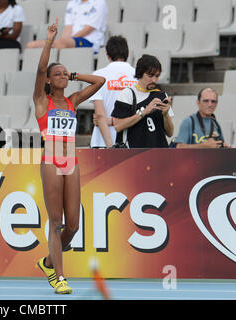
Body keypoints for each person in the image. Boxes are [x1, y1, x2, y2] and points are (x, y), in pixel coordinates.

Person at [33, 19, 105, 294]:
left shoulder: (72, 102)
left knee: (73, 226)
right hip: (51, 160)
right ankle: (59, 277)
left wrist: (73, 74)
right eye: (58, 74)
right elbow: (41, 68)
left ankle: (48, 262)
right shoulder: (42, 101)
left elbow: (101, 81)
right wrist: (50, 40)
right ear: (49, 81)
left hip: (71, 162)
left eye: (66, 73)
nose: (63, 76)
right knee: (55, 221)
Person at [111, 54, 174, 148]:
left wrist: (166, 115)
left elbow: (170, 133)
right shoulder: (127, 93)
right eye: (150, 75)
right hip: (134, 154)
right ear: (140, 73)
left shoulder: (161, 95)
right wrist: (144, 112)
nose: (154, 80)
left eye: (157, 76)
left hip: (159, 153)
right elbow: (118, 126)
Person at [90, 35, 137, 148]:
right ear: (128, 53)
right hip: (130, 142)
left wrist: (111, 146)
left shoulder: (97, 75)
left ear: (107, 55)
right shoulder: (137, 76)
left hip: (101, 142)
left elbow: (100, 116)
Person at [26, 0, 108, 53]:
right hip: (72, 41)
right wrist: (62, 41)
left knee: (60, 44)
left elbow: (88, 29)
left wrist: (65, 41)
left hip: (90, 42)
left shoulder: (99, 2)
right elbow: (68, 27)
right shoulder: (72, 3)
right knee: (31, 45)